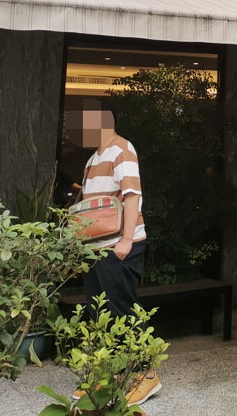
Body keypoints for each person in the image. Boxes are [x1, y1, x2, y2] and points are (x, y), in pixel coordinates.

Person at [67, 98, 160, 406]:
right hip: (95, 248)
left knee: (121, 307)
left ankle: (147, 376)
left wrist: (125, 241)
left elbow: (133, 196)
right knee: (99, 311)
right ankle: (108, 376)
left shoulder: (122, 149)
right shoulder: (93, 158)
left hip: (120, 245)